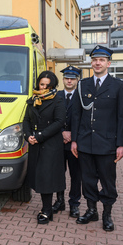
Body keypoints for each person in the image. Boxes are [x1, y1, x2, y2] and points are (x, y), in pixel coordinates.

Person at [71, 45, 123, 231]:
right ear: (91, 62)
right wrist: (74, 139)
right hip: (85, 142)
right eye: (95, 59)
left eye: (102, 60)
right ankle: (91, 211)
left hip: (107, 144)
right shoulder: (82, 85)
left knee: (107, 181)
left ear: (108, 63)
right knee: (87, 180)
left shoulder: (119, 85)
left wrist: (121, 144)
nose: (98, 63)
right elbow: (76, 115)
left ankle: (107, 214)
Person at [22, 70, 65, 224]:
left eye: (48, 85)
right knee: (38, 176)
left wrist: (39, 136)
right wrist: (28, 136)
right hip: (35, 143)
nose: (44, 88)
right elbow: (26, 120)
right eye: (42, 84)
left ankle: (47, 210)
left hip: (50, 144)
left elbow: (59, 122)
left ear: (53, 86)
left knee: (46, 177)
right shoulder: (33, 99)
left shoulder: (58, 100)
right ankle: (48, 207)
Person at [52, 65, 82, 219]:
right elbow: (50, 118)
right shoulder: (55, 96)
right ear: (63, 79)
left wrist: (72, 134)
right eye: (66, 78)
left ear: (77, 80)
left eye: (72, 78)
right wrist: (62, 132)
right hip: (58, 141)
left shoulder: (83, 96)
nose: (69, 81)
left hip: (75, 143)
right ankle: (60, 201)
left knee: (76, 175)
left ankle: (74, 204)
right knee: (58, 173)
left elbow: (84, 120)